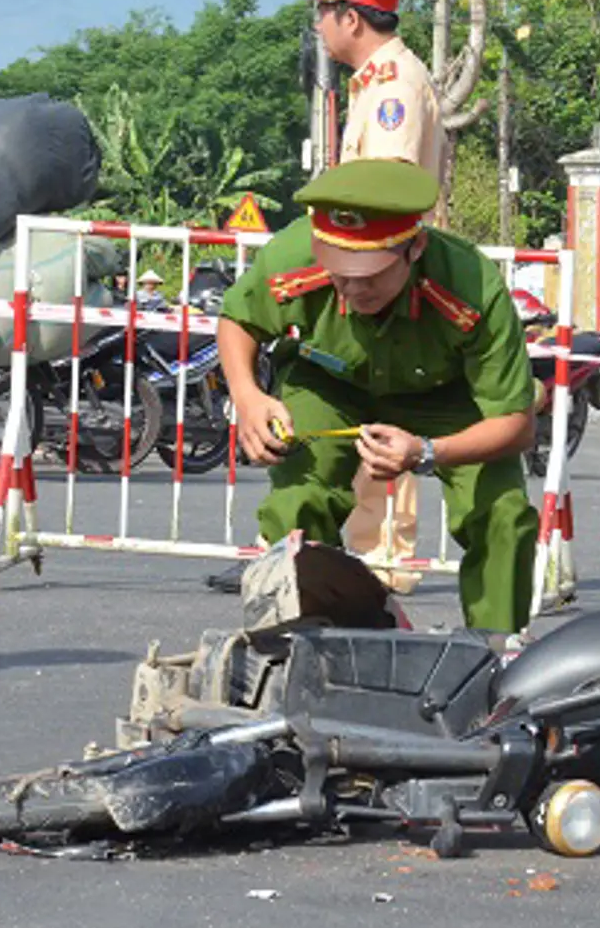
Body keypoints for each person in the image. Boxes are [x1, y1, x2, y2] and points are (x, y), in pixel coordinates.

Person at [215, 159, 538, 633]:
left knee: (502, 514)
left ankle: (497, 656)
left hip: (446, 396)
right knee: (299, 499)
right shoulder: (292, 255)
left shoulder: (472, 285)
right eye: (340, 272)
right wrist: (247, 398)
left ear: (416, 247)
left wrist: (428, 452)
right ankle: (308, 642)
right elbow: (238, 320)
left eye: (370, 274)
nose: (352, 287)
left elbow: (516, 424)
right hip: (328, 382)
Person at [314, 0, 444, 589]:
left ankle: (384, 563)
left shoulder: (394, 86)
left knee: (387, 418)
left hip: (388, 273)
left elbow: (389, 191)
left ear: (350, 18)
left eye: (321, 11)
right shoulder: (377, 82)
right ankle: (349, 553)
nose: (317, 26)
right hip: (368, 272)